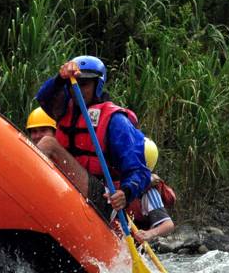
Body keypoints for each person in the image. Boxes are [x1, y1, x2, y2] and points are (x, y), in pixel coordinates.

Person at [33, 55, 152, 222]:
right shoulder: (63, 109)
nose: (78, 89)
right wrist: (60, 79)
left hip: (102, 197)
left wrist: (125, 193)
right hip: (68, 185)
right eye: (74, 84)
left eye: (84, 84)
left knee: (48, 143)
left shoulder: (116, 121)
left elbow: (140, 171)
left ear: (98, 85)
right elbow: (44, 98)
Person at [127, 138, 176, 243]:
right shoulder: (116, 178)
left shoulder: (149, 193)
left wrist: (150, 233)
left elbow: (168, 225)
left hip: (130, 244)